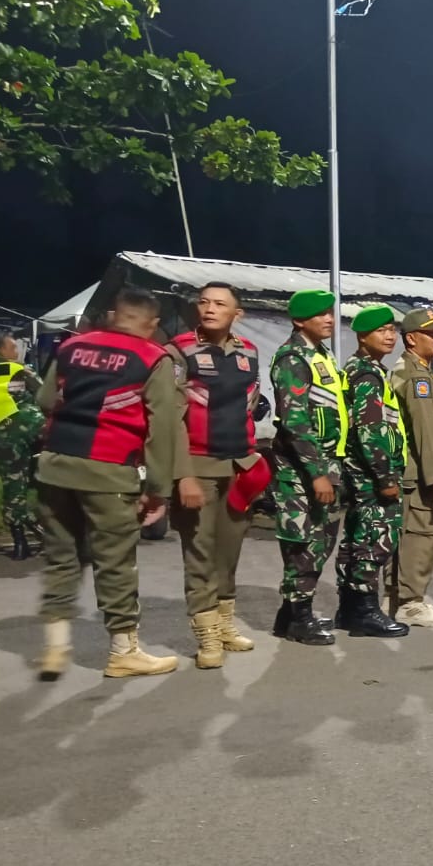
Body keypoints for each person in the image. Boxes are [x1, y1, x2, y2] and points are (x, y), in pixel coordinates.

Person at [35, 285, 179, 679]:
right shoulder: (153, 357)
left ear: (114, 315)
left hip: (55, 465)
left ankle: (55, 646)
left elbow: (46, 401)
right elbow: (162, 427)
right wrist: (158, 490)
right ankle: (123, 651)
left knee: (62, 557)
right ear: (152, 324)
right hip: (108, 468)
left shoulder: (71, 347)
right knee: (115, 562)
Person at [168, 283, 265, 667]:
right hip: (198, 467)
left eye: (220, 304)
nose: (209, 308)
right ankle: (207, 636)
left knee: (229, 551)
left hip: (239, 467)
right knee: (199, 553)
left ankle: (224, 625)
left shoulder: (248, 352)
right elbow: (169, 418)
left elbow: (250, 404)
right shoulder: (179, 350)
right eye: (204, 302)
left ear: (236, 314)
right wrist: (183, 476)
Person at [268, 289, 348, 645]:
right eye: (320, 315)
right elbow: (295, 422)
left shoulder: (321, 354)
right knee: (304, 544)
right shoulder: (292, 358)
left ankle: (290, 616)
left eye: (330, 314)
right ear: (300, 320)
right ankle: (299, 620)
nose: (329, 319)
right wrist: (317, 472)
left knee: (320, 541)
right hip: (301, 472)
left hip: (326, 465)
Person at [333, 305, 409, 637]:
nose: (390, 336)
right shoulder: (366, 374)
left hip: (362, 472)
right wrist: (385, 476)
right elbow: (369, 430)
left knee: (357, 538)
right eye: (382, 331)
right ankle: (364, 611)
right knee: (375, 540)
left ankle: (349, 609)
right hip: (370, 474)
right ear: (363, 337)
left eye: (392, 330)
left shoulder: (365, 369)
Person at [389, 307, 433, 626]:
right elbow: (424, 432)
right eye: (432, 333)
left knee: (423, 535)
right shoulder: (415, 375)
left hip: (426, 473)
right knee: (420, 536)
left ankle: (408, 599)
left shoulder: (424, 372)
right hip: (421, 475)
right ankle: (410, 603)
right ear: (412, 339)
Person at [0, 331, 45, 560]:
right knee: (20, 485)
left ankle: (20, 539)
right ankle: (25, 538)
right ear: (1, 350)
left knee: (11, 484)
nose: (16, 352)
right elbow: (45, 395)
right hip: (22, 436)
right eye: (12, 348)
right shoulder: (19, 370)